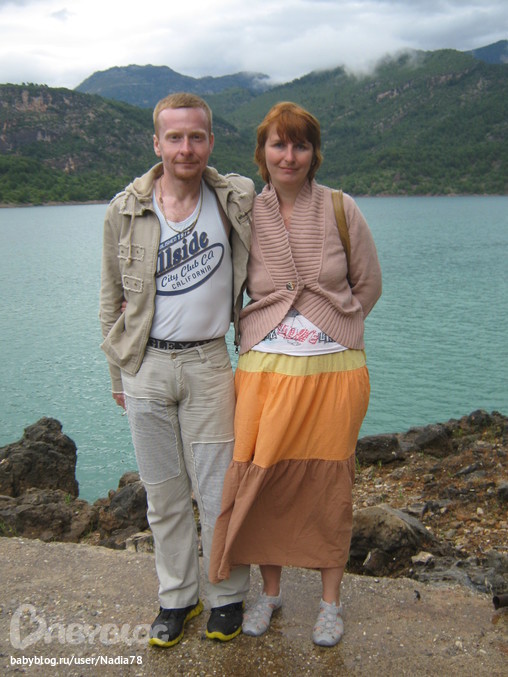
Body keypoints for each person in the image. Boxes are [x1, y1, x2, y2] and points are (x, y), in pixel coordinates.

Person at [209, 102, 382, 646]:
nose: (289, 156)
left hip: (334, 373)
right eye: (279, 144)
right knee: (265, 480)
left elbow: (368, 284)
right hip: (264, 373)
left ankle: (330, 603)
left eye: (300, 145)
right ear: (262, 153)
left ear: (314, 153)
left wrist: (333, 328)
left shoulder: (340, 208)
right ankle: (271, 593)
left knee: (330, 485)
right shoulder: (245, 213)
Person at [99, 92, 253, 647]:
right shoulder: (124, 210)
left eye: (196, 136)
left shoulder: (235, 198)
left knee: (218, 492)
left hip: (209, 361)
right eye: (174, 137)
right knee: (162, 494)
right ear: (157, 143)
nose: (185, 147)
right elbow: (109, 297)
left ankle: (227, 596)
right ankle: (178, 599)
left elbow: (291, 207)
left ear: (210, 141)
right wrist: (118, 375)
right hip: (145, 364)